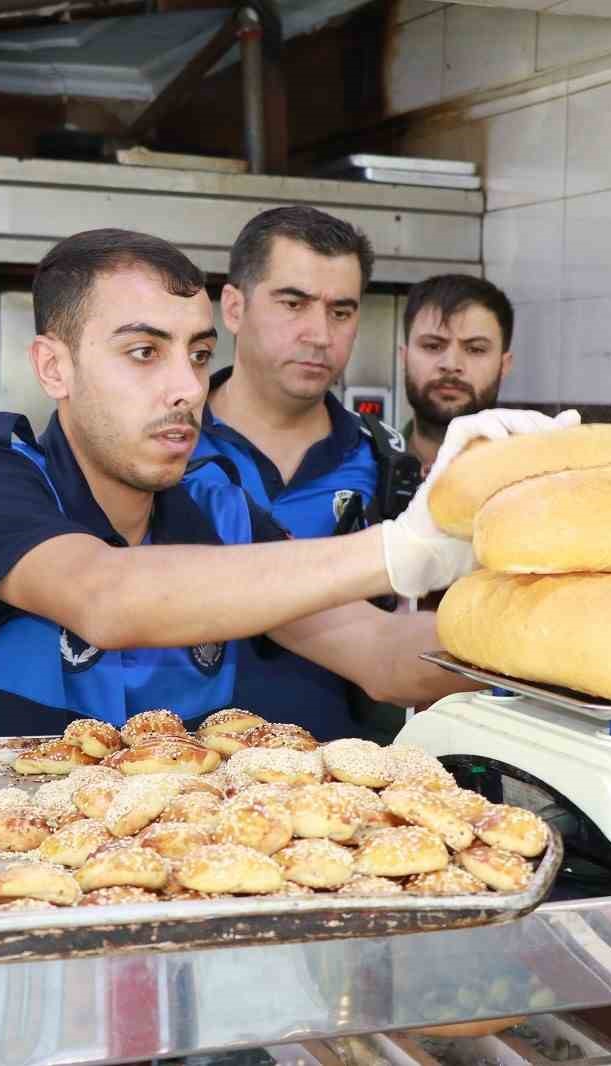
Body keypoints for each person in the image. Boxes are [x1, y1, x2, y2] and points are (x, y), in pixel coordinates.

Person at [0, 228, 571, 738]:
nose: (186, 388)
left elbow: (382, 654)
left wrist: (550, 630)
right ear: (53, 368)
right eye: (142, 353)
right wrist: (398, 550)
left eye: (197, 355)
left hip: (160, 890)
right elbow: (107, 598)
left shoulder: (217, 507)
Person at [188, 206, 415, 738]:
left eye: (341, 311)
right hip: (176, 780)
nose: (319, 333)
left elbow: (397, 645)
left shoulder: (385, 463)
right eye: (294, 303)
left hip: (339, 793)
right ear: (235, 307)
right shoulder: (165, 447)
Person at [400, 274, 518, 476]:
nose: (451, 365)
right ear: (404, 357)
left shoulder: (534, 481)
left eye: (475, 349)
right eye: (432, 346)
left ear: (504, 365)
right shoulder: (363, 473)